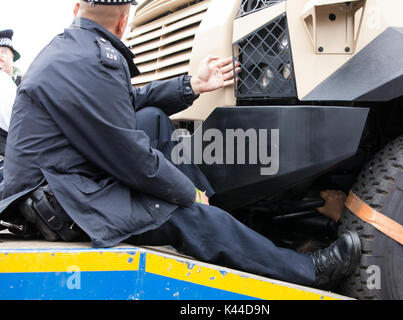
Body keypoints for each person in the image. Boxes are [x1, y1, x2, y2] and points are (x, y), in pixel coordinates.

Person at [0, 0, 361, 289]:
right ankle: (307, 270)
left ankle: (225, 225)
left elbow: (127, 99)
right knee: (175, 209)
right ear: (123, 22)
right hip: (62, 204)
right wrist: (187, 193)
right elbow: (135, 162)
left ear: (78, 9)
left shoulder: (70, 51)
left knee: (153, 118)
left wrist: (191, 85)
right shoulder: (95, 60)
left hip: (53, 186)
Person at [0, 29, 21, 181]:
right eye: (11, 57)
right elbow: (17, 127)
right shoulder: (3, 81)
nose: (13, 65)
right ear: (2, 56)